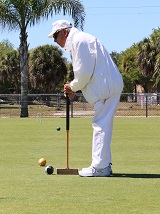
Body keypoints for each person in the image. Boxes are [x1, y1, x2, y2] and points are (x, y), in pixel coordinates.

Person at [48, 20, 124, 177]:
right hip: (107, 87)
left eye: (56, 36)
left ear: (64, 32)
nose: (55, 41)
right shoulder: (81, 41)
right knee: (103, 125)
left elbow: (83, 73)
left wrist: (72, 87)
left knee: (100, 125)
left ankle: (100, 167)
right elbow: (87, 72)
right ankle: (104, 165)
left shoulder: (80, 41)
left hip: (105, 89)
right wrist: (75, 86)